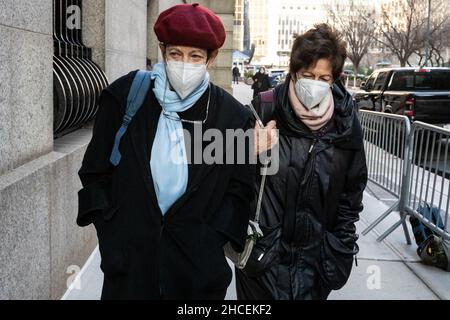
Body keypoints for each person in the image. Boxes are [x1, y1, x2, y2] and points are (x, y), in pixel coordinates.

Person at [76, 3, 255, 300]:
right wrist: (112, 235)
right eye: (176, 53)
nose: (184, 63)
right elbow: (95, 172)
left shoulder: (233, 117)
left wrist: (209, 241)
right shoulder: (125, 96)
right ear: (162, 49)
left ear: (211, 58)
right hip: (129, 269)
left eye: (195, 56)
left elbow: (239, 191)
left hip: (197, 277)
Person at [236, 23, 368, 300]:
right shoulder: (266, 108)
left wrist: (340, 247)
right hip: (264, 264)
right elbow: (234, 177)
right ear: (294, 73)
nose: (315, 84)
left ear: (335, 79)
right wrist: (248, 148)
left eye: (324, 78)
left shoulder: (345, 123)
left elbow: (351, 193)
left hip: (316, 266)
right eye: (308, 75)